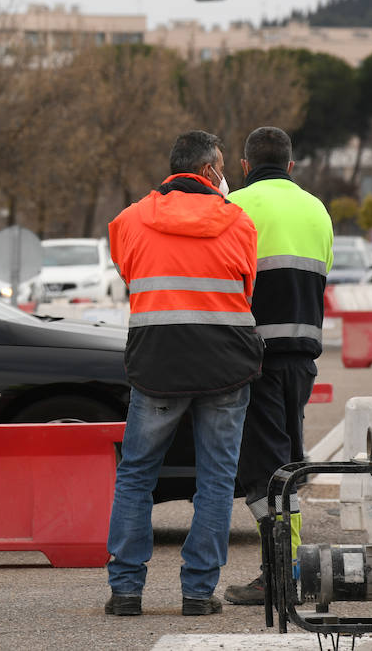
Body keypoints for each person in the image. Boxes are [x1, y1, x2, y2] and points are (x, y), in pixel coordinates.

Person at [104, 130, 262, 618]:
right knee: (215, 480)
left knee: (135, 476)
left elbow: (130, 277)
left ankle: (126, 591)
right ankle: (197, 593)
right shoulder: (239, 222)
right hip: (226, 366)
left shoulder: (129, 220)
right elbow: (246, 286)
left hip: (158, 364)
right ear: (212, 170)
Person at [224, 126, 334, 606]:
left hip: (255, 356)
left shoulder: (237, 208)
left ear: (244, 167)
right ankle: (286, 568)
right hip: (303, 358)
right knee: (289, 460)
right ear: (291, 166)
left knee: (265, 469)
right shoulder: (317, 209)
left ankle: (280, 575)